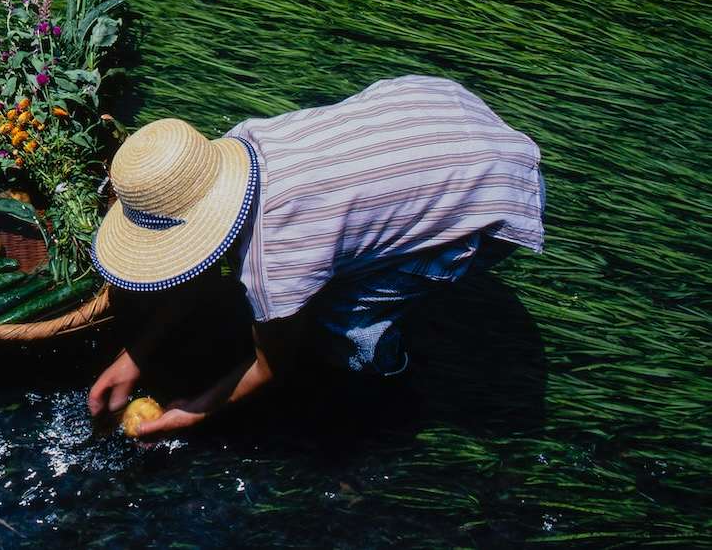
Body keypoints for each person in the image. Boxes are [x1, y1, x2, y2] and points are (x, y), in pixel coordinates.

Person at [86, 74, 546, 437]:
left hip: (494, 192)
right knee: (328, 268)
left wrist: (195, 411)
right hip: (438, 110)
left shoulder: (274, 264)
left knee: (339, 328)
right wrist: (138, 356)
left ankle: (391, 375)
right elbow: (204, 266)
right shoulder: (237, 147)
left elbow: (270, 367)